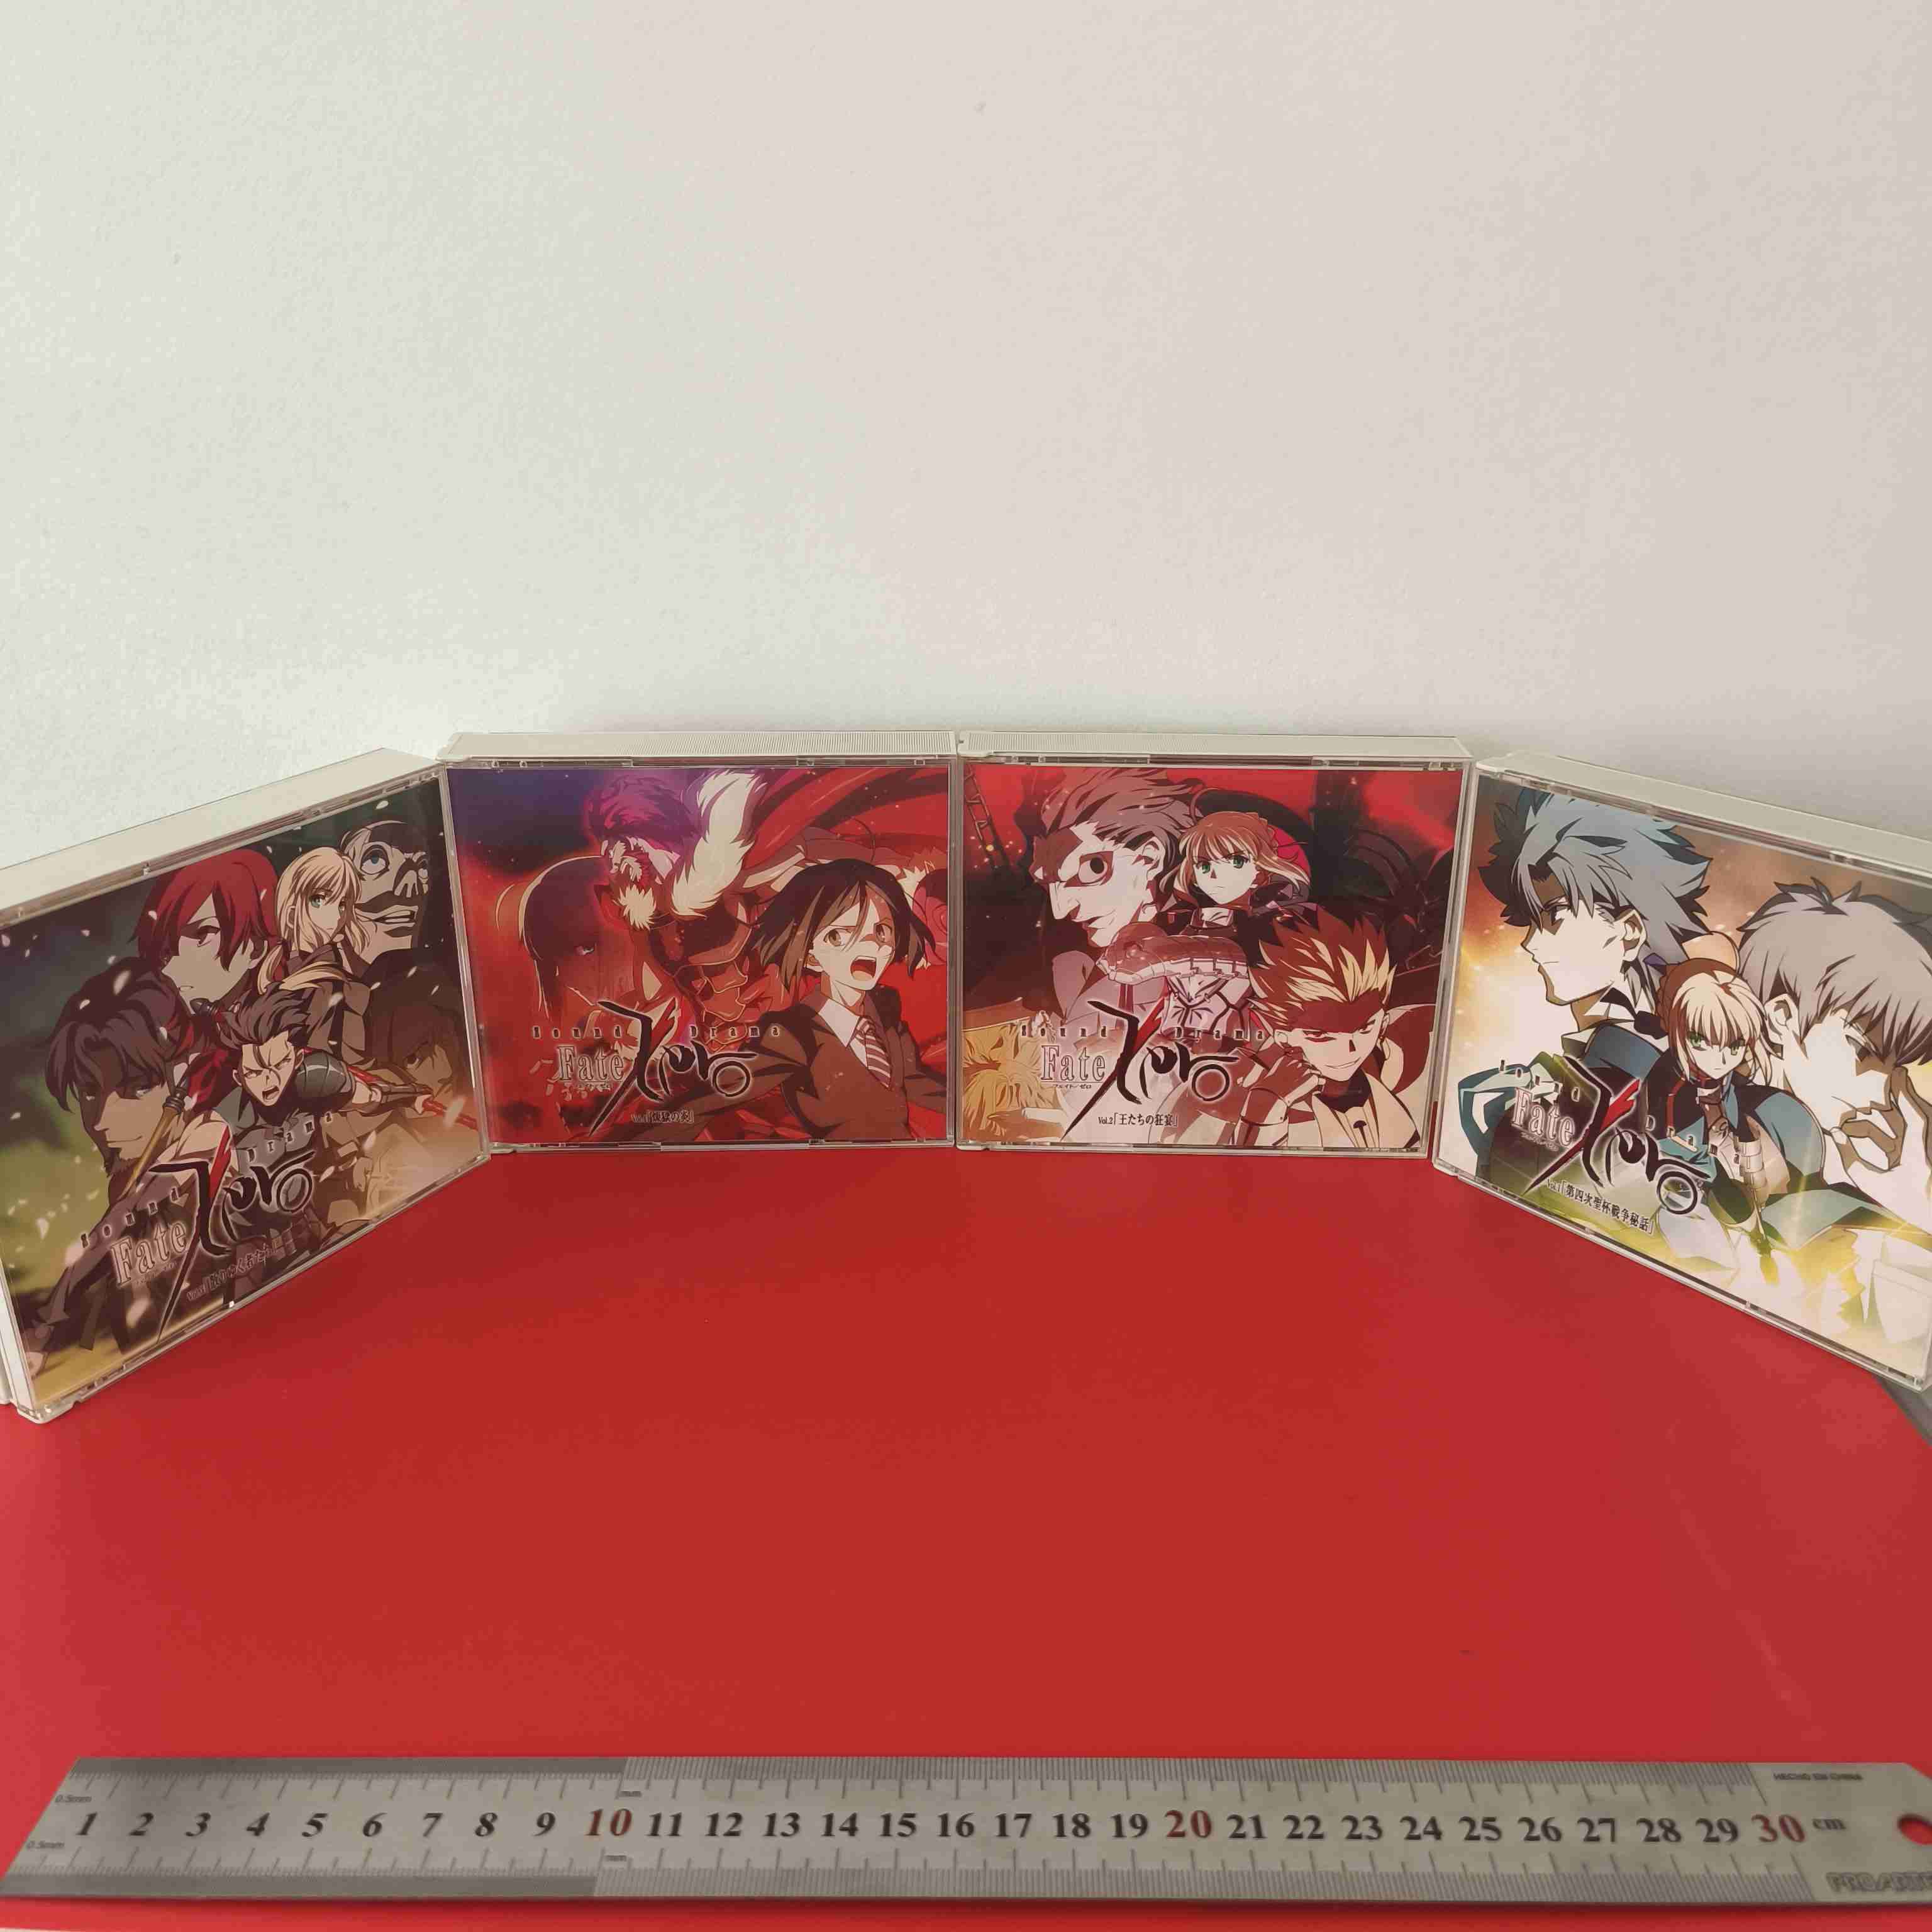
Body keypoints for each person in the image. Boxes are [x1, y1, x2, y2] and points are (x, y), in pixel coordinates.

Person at [615, 859, 943, 1143]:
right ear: (810, 953)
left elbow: (914, 1080)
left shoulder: (884, 1010)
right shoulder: (793, 1035)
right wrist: (632, 1145)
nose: (868, 946)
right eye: (838, 935)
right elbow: (712, 1100)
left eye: (881, 931)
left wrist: (969, 1100)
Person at [1228, 910, 1425, 1150]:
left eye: (1365, 1028)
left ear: (1382, 1023)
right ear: (1283, 1038)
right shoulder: (1246, 1091)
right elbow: (1243, 1170)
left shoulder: (1398, 1069)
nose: (1349, 1050)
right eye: (1321, 1035)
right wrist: (1265, 1108)